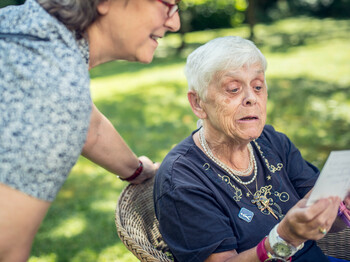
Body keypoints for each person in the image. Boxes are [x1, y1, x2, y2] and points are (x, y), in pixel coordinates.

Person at [0, 0, 180, 261]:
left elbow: (90, 127)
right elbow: (5, 247)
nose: (175, 23)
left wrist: (138, 170)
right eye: (168, 4)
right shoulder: (52, 85)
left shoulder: (31, 32)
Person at [154, 36, 350, 262]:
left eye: (258, 86)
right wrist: (281, 241)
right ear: (198, 103)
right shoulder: (182, 180)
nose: (251, 98)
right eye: (233, 89)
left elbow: (325, 224)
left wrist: (340, 207)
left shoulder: (271, 141)